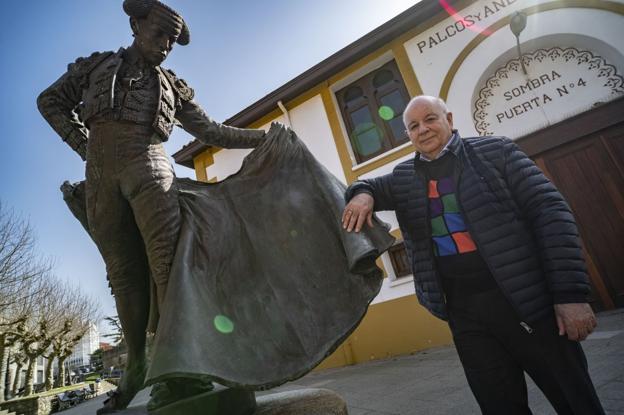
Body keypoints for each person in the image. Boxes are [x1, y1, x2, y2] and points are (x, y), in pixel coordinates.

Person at [37, 0, 266, 412]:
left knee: (167, 265)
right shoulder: (93, 67)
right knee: (123, 274)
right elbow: (49, 101)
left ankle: (178, 366)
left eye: (172, 42)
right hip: (101, 175)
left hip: (151, 169)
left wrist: (262, 138)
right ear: (135, 24)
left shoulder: (172, 88)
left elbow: (212, 130)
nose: (164, 46)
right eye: (159, 34)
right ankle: (138, 365)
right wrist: (83, 146)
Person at [342, 95, 605, 414]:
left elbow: (551, 212)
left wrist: (570, 294)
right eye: (413, 126)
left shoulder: (496, 152)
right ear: (408, 135)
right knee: (499, 406)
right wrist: (361, 196)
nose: (423, 129)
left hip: (527, 302)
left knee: (575, 400)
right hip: (465, 315)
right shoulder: (404, 177)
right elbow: (364, 183)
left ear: (449, 119)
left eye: (430, 119)